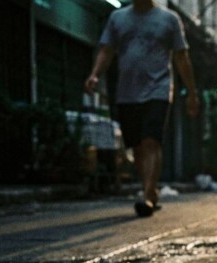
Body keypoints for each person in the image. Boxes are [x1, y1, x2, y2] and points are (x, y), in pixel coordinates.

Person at [84, 0, 199, 217]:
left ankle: (147, 195)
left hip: (159, 89)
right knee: (136, 145)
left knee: (151, 140)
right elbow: (106, 50)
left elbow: (182, 56)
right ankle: (150, 187)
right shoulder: (117, 18)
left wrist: (192, 92)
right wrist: (95, 74)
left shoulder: (169, 19)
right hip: (127, 92)